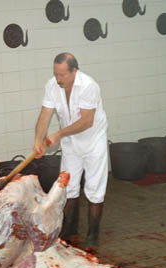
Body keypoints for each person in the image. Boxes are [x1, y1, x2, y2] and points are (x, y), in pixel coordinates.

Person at [33, 52, 108, 251]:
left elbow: (86, 121)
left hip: (93, 142)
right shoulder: (52, 85)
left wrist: (58, 134)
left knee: (94, 189)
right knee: (68, 186)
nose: (58, 79)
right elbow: (44, 115)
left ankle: (93, 233)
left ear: (74, 71)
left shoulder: (88, 86)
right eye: (56, 74)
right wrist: (37, 141)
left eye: (63, 75)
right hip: (71, 143)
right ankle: (69, 229)